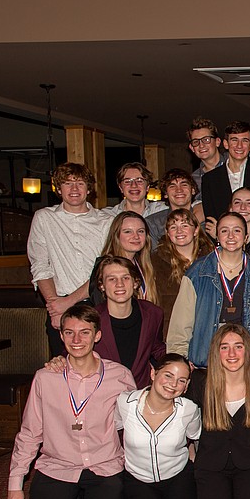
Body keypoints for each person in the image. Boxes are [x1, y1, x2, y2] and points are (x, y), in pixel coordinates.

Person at [7, 306, 136, 499]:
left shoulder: (119, 376)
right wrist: (15, 484)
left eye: (84, 333)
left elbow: (133, 426)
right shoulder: (46, 378)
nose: (76, 340)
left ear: (97, 335)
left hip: (104, 466)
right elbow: (29, 433)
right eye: (69, 333)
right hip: (59, 466)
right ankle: (74, 498)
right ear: (61, 335)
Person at [187, 324, 250, 499]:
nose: (232, 354)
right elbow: (181, 418)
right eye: (224, 347)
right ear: (216, 352)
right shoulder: (199, 382)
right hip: (212, 464)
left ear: (248, 351)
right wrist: (189, 450)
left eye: (238, 346)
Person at [26, 162, 112, 356]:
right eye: (67, 183)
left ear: (89, 189)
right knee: (62, 368)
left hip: (99, 301)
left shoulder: (105, 221)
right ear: (58, 188)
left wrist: (69, 303)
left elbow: (105, 269)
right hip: (58, 302)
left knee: (103, 365)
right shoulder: (44, 218)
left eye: (80, 183)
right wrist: (56, 308)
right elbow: (40, 265)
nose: (74, 189)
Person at [167, 211, 250, 368]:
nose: (230, 236)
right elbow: (181, 322)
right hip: (207, 358)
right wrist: (179, 358)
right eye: (224, 231)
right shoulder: (198, 272)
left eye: (237, 230)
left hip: (244, 359)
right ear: (216, 236)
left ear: (246, 237)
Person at [117, 353, 200, 499]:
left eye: (181, 380)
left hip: (176, 474)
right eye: (168, 375)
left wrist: (194, 464)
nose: (173, 384)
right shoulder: (125, 403)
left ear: (186, 386)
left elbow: (196, 437)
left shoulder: (188, 409)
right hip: (138, 477)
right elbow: (112, 430)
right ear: (153, 373)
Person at [93, 257, 166, 388]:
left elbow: (156, 347)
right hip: (102, 393)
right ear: (102, 286)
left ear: (135, 283)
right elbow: (75, 353)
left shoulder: (153, 313)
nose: (119, 284)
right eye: (111, 279)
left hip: (140, 393)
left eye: (125, 278)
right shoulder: (91, 319)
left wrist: (179, 360)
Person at [151, 209, 214, 339]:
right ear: (168, 233)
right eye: (173, 227)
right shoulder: (156, 261)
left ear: (196, 230)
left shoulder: (212, 259)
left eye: (185, 225)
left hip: (207, 332)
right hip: (171, 333)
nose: (179, 231)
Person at [200, 121, 250, 228]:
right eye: (234, 140)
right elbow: (211, 219)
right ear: (226, 144)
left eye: (244, 141)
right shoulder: (210, 179)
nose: (239, 146)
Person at [88, 211, 159, 307]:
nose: (136, 236)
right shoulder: (105, 266)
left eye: (141, 231)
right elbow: (100, 306)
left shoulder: (145, 264)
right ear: (116, 235)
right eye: (128, 231)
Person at [145, 168, 197, 245]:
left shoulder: (204, 220)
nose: (179, 190)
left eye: (184, 185)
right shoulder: (153, 223)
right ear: (165, 193)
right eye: (172, 186)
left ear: (193, 190)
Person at [187, 117, 225, 193]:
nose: (201, 145)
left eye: (206, 140)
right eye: (196, 142)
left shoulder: (235, 166)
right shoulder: (193, 181)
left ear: (217, 142)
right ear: (192, 148)